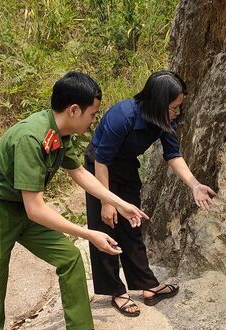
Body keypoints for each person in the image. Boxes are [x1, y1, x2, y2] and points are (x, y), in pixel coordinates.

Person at [0, 71, 148, 330]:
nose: (93, 120)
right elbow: (36, 208)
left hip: (20, 209)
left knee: (69, 257)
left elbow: (80, 173)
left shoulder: (60, 132)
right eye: (92, 114)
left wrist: (119, 203)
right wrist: (88, 233)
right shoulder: (32, 136)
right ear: (74, 110)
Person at [84, 70, 216, 316]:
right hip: (99, 168)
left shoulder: (163, 120)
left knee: (133, 224)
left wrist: (194, 184)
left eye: (179, 107)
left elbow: (173, 155)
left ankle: (147, 286)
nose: (177, 112)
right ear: (158, 103)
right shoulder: (122, 116)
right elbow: (101, 160)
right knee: (106, 226)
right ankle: (116, 291)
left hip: (126, 166)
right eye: (174, 107)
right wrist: (106, 201)